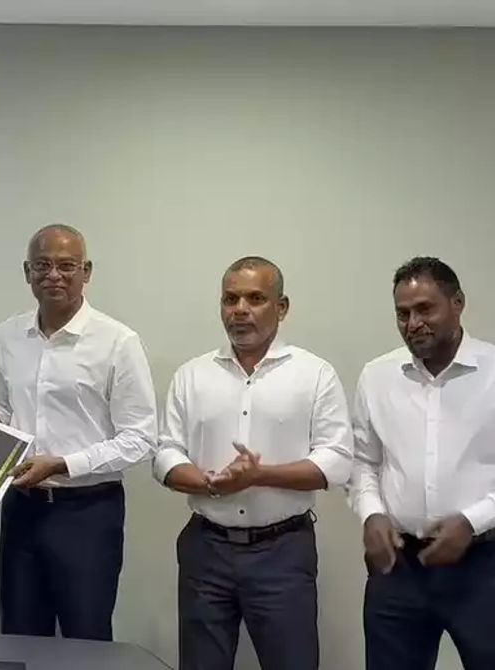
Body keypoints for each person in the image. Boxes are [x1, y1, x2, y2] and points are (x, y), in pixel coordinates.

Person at [155, 256, 352, 670]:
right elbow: (166, 453)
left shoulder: (314, 374)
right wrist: (210, 483)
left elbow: (335, 461)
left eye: (255, 299)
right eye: (230, 299)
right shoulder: (193, 375)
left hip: (283, 552)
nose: (240, 309)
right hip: (206, 550)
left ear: (281, 307)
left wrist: (260, 476)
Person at [0, 224, 158, 641]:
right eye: (42, 265)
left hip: (87, 513)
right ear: (27, 272)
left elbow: (141, 438)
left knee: (86, 638)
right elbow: (1, 401)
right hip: (22, 508)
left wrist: (63, 464)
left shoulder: (118, 341)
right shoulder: (10, 334)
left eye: (66, 266)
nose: (53, 275)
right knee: (20, 637)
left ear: (86, 271)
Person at [350, 257, 495, 670]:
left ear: (457, 303)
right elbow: (363, 461)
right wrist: (372, 514)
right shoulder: (377, 376)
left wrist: (472, 521)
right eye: (403, 313)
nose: (413, 323)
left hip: (485, 565)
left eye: (425, 309)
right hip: (399, 567)